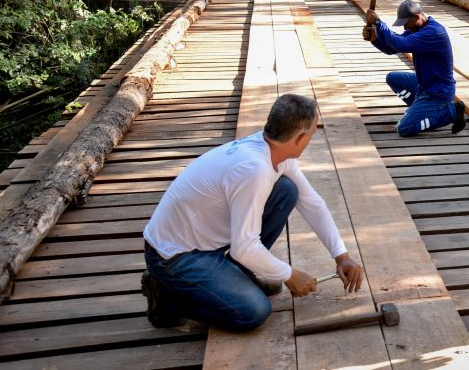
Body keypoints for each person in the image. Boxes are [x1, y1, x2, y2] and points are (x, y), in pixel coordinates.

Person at [142, 94, 365, 331]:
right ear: (300, 138)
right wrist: (289, 274)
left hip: (204, 240)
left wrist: (341, 256)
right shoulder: (253, 170)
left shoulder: (273, 151)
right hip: (174, 256)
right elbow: (244, 247)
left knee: (286, 191)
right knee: (252, 312)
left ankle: (238, 274)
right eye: (312, 133)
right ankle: (167, 298)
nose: (311, 138)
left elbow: (312, 202)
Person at [363, 0, 466, 137]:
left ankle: (452, 112)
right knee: (392, 78)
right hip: (423, 84)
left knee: (404, 128)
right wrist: (375, 39)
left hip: (437, 93)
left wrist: (378, 23)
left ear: (417, 17)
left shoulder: (434, 32)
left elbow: (402, 44)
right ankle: (420, 110)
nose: (405, 28)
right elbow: (392, 48)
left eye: (406, 24)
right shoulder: (417, 29)